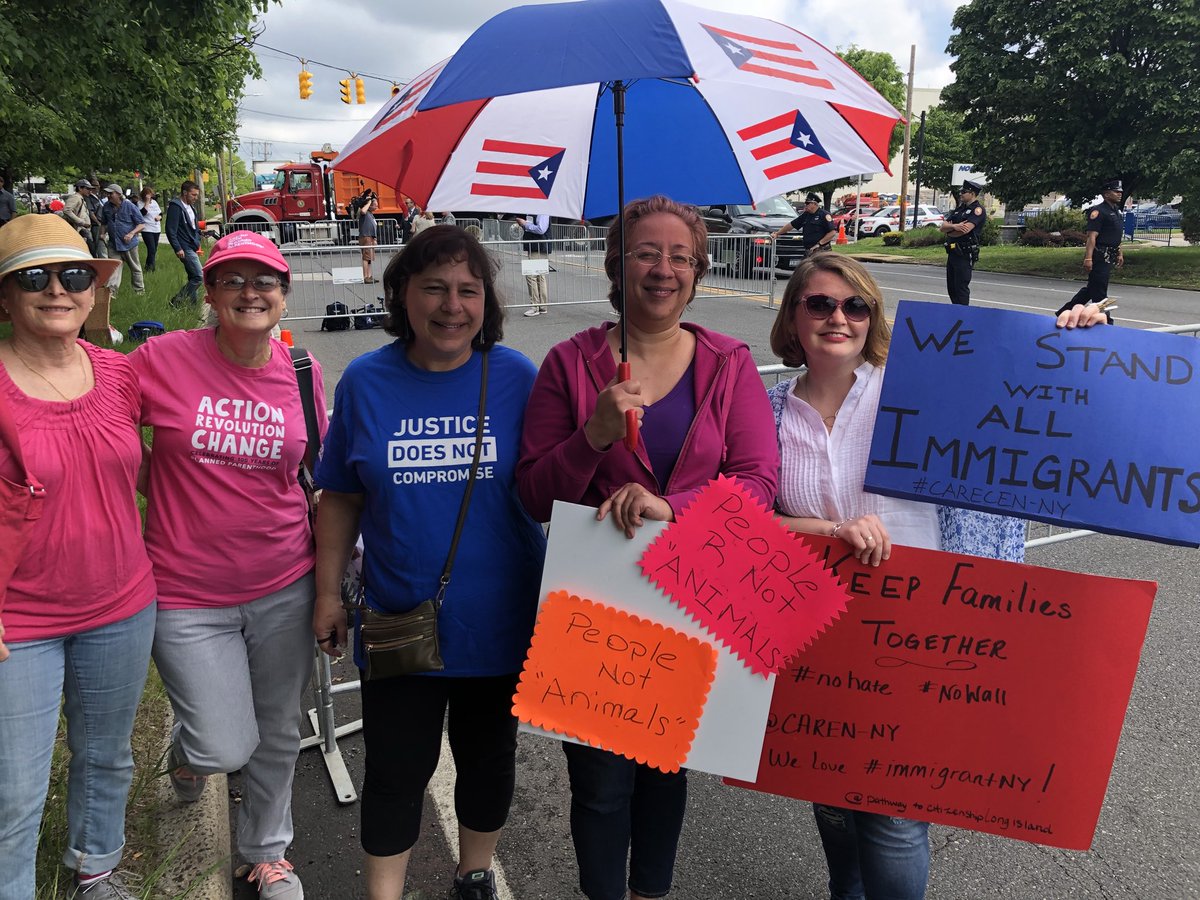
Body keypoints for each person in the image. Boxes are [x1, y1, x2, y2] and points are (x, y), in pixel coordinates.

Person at [765, 253, 1107, 900]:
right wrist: (831, 531)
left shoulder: (917, 386)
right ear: (792, 317)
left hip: (919, 628)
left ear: (872, 317)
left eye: (855, 305)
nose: (839, 317)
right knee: (830, 793)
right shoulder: (769, 412)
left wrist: (1077, 344)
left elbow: (1032, 403)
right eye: (820, 303)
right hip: (818, 632)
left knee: (894, 814)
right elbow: (747, 517)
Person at [516, 195, 778, 900]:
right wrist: (594, 436)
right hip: (596, 603)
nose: (664, 269)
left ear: (698, 271)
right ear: (616, 265)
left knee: (667, 769)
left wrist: (674, 508)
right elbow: (534, 496)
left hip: (693, 593)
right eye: (646, 253)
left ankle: (650, 893)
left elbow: (759, 483)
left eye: (680, 257)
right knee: (600, 784)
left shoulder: (728, 362)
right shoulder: (569, 364)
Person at [312, 225, 545, 900]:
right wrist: (328, 595)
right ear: (402, 294)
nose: (452, 306)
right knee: (394, 770)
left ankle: (474, 874)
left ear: (487, 301)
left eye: (468, 290)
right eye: (434, 288)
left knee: (489, 761)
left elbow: (556, 482)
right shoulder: (366, 381)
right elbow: (341, 498)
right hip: (399, 619)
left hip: (500, 621)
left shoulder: (516, 377)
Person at [130, 230, 325, 900]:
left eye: (264, 280)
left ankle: (268, 853)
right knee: (223, 744)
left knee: (277, 728)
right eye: (232, 280)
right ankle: (192, 755)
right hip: (186, 590)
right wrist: (145, 473)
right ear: (209, 293)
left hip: (285, 580)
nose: (250, 292)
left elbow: (315, 468)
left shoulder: (301, 371)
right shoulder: (161, 359)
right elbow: (101, 423)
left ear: (284, 294)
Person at [0, 215, 156, 900]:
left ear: (94, 291)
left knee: (106, 754)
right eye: (34, 277)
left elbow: (159, 462)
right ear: (6, 297)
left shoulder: (119, 374)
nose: (57, 290)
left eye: (73, 275)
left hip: (121, 604)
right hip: (18, 622)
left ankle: (96, 867)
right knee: (14, 789)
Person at [1057, 178, 1125, 316]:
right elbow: (1092, 237)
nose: (1119, 194)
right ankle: (1105, 320)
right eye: (1116, 191)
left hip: (1110, 255)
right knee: (1100, 291)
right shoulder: (1099, 211)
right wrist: (1088, 258)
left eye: (1120, 192)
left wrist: (1120, 253)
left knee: (1091, 289)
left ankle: (1065, 311)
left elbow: (1116, 235)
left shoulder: (1116, 211)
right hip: (1100, 255)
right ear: (1106, 194)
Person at [939, 179, 986, 305]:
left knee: (961, 288)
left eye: (964, 192)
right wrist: (954, 226)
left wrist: (950, 230)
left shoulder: (977, 210)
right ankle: (955, 312)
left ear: (972, 193)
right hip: (953, 252)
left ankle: (963, 314)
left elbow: (964, 230)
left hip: (964, 253)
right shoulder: (960, 209)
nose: (961, 194)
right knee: (952, 288)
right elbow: (943, 227)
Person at [100, 185, 146, 295]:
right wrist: (102, 233)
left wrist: (131, 233)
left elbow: (141, 224)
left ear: (119, 194)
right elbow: (104, 223)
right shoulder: (106, 206)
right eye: (107, 193)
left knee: (135, 268)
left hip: (129, 244)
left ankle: (139, 292)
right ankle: (111, 294)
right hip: (113, 244)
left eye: (111, 193)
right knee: (113, 269)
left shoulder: (130, 206)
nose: (108, 196)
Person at [165, 180, 203, 306]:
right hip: (184, 246)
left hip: (192, 245)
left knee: (193, 276)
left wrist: (199, 235)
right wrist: (177, 248)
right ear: (185, 193)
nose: (196, 198)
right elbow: (170, 230)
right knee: (199, 276)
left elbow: (193, 226)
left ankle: (193, 304)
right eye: (193, 195)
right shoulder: (176, 207)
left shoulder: (191, 207)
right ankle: (176, 301)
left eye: (197, 195)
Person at [773, 192, 835, 256]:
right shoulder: (806, 215)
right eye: (805, 203)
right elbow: (791, 225)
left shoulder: (824, 215)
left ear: (814, 204)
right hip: (810, 250)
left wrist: (819, 244)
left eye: (807, 203)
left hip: (822, 250)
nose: (805, 205)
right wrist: (777, 233)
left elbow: (832, 232)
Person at [516, 212, 551, 317]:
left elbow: (541, 229)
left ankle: (535, 306)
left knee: (531, 276)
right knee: (540, 276)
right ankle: (542, 306)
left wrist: (525, 224)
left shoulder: (542, 211)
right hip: (538, 246)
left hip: (538, 247)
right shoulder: (540, 209)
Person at [137, 187, 163, 272]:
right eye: (148, 196)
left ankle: (148, 266)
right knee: (151, 248)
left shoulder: (154, 202)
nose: (150, 197)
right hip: (147, 229)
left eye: (151, 195)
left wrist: (159, 217)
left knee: (154, 249)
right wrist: (147, 202)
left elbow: (160, 213)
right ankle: (151, 268)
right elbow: (142, 213)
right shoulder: (140, 203)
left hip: (156, 228)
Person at [359, 193, 379, 283]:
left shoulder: (370, 214)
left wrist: (375, 238)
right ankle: (365, 277)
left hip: (370, 237)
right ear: (370, 205)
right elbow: (363, 211)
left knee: (370, 258)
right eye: (375, 205)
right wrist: (369, 202)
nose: (376, 207)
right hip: (366, 236)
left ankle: (369, 276)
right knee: (366, 257)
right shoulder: (365, 212)